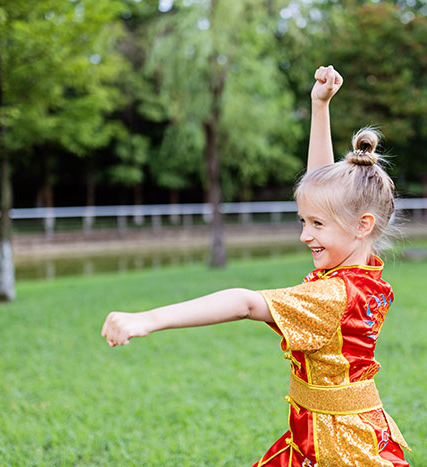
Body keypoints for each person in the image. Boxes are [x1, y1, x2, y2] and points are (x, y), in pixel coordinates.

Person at [101, 65, 410, 467]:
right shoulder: (360, 270)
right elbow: (325, 189)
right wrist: (320, 108)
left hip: (337, 448)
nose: (305, 235)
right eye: (304, 221)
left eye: (316, 224)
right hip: (328, 430)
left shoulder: (331, 294)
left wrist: (148, 320)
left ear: (362, 225)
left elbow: (246, 303)